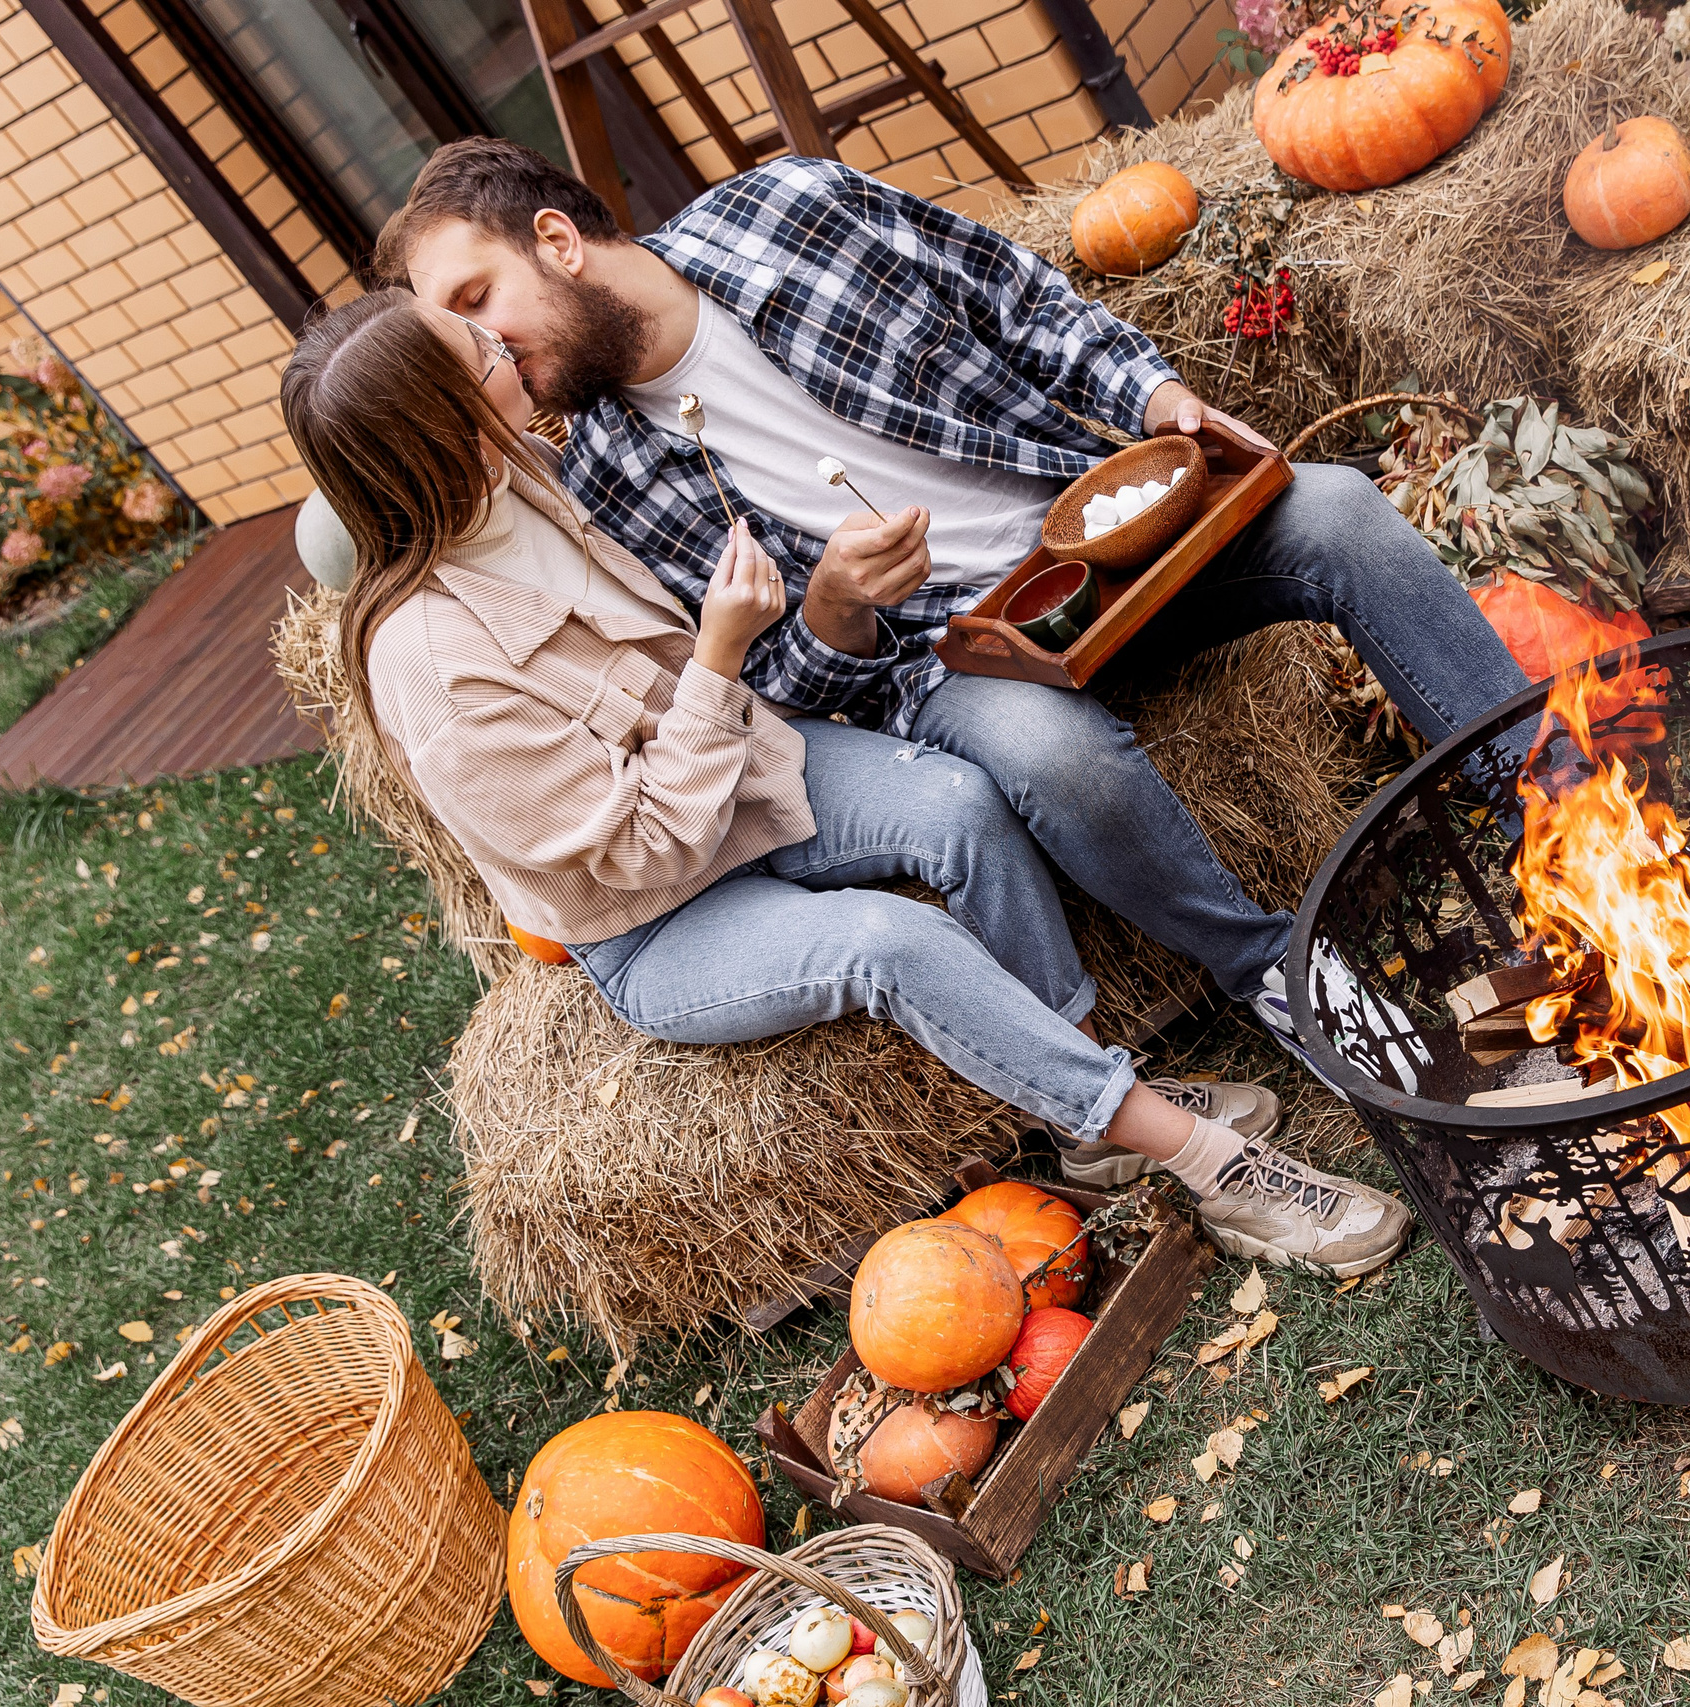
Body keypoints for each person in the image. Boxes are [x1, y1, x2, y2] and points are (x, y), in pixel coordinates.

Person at [278, 288, 1410, 1276]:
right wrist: (719, 655)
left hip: (738, 771)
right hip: (659, 912)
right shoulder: (431, 669)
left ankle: (1091, 1124)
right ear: (448, 429)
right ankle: (1212, 1166)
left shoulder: (524, 479)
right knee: (890, 945)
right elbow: (643, 852)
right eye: (474, 350)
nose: (499, 341)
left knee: (959, 804)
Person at [372, 139, 1532, 1082]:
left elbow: (1019, 300)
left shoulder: (794, 210)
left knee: (1336, 512)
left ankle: (1549, 806)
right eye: (453, 336)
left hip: (1103, 539)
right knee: (1047, 757)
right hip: (951, 661)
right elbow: (778, 700)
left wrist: (1166, 400)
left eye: (479, 302)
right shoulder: (602, 483)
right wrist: (831, 613)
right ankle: (1276, 975)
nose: (483, 348)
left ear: (561, 242)